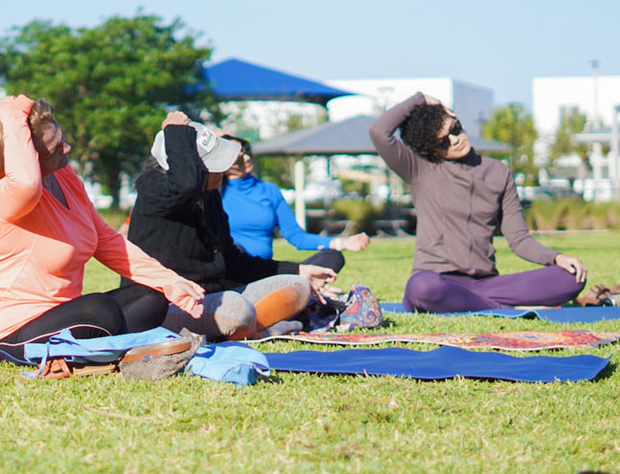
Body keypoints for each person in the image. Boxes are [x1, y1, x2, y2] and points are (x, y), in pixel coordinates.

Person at [0, 95, 205, 363]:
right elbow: (27, 184)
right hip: (4, 336)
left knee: (150, 297)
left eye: (63, 139)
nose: (66, 149)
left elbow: (107, 241)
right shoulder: (6, 198)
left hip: (62, 318)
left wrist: (171, 282)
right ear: (28, 158)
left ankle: (113, 348)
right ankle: (120, 347)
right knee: (99, 311)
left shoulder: (64, 177)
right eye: (54, 150)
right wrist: (11, 114)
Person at [369, 92, 587, 312]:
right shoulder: (419, 169)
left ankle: (486, 304)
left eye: (455, 129)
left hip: (487, 284)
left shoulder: (498, 172)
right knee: (422, 287)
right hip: (438, 281)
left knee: (571, 277)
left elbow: (519, 240)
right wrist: (420, 99)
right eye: (443, 142)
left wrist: (556, 257)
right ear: (432, 149)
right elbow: (379, 131)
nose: (455, 140)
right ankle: (501, 308)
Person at [128, 112, 336, 340]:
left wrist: (298, 270)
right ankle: (260, 329)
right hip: (167, 305)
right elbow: (185, 185)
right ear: (193, 167)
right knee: (237, 309)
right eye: (213, 165)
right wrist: (176, 131)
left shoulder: (210, 197)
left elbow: (232, 261)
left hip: (214, 298)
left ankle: (254, 329)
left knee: (298, 286)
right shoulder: (154, 188)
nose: (223, 171)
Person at [220, 134, 369, 274]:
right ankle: (302, 290)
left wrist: (342, 242)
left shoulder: (269, 190)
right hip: (234, 270)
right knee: (236, 252)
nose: (245, 158)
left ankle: (302, 287)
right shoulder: (216, 191)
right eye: (238, 154)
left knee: (333, 257)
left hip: (267, 269)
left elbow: (297, 237)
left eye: (246, 152)